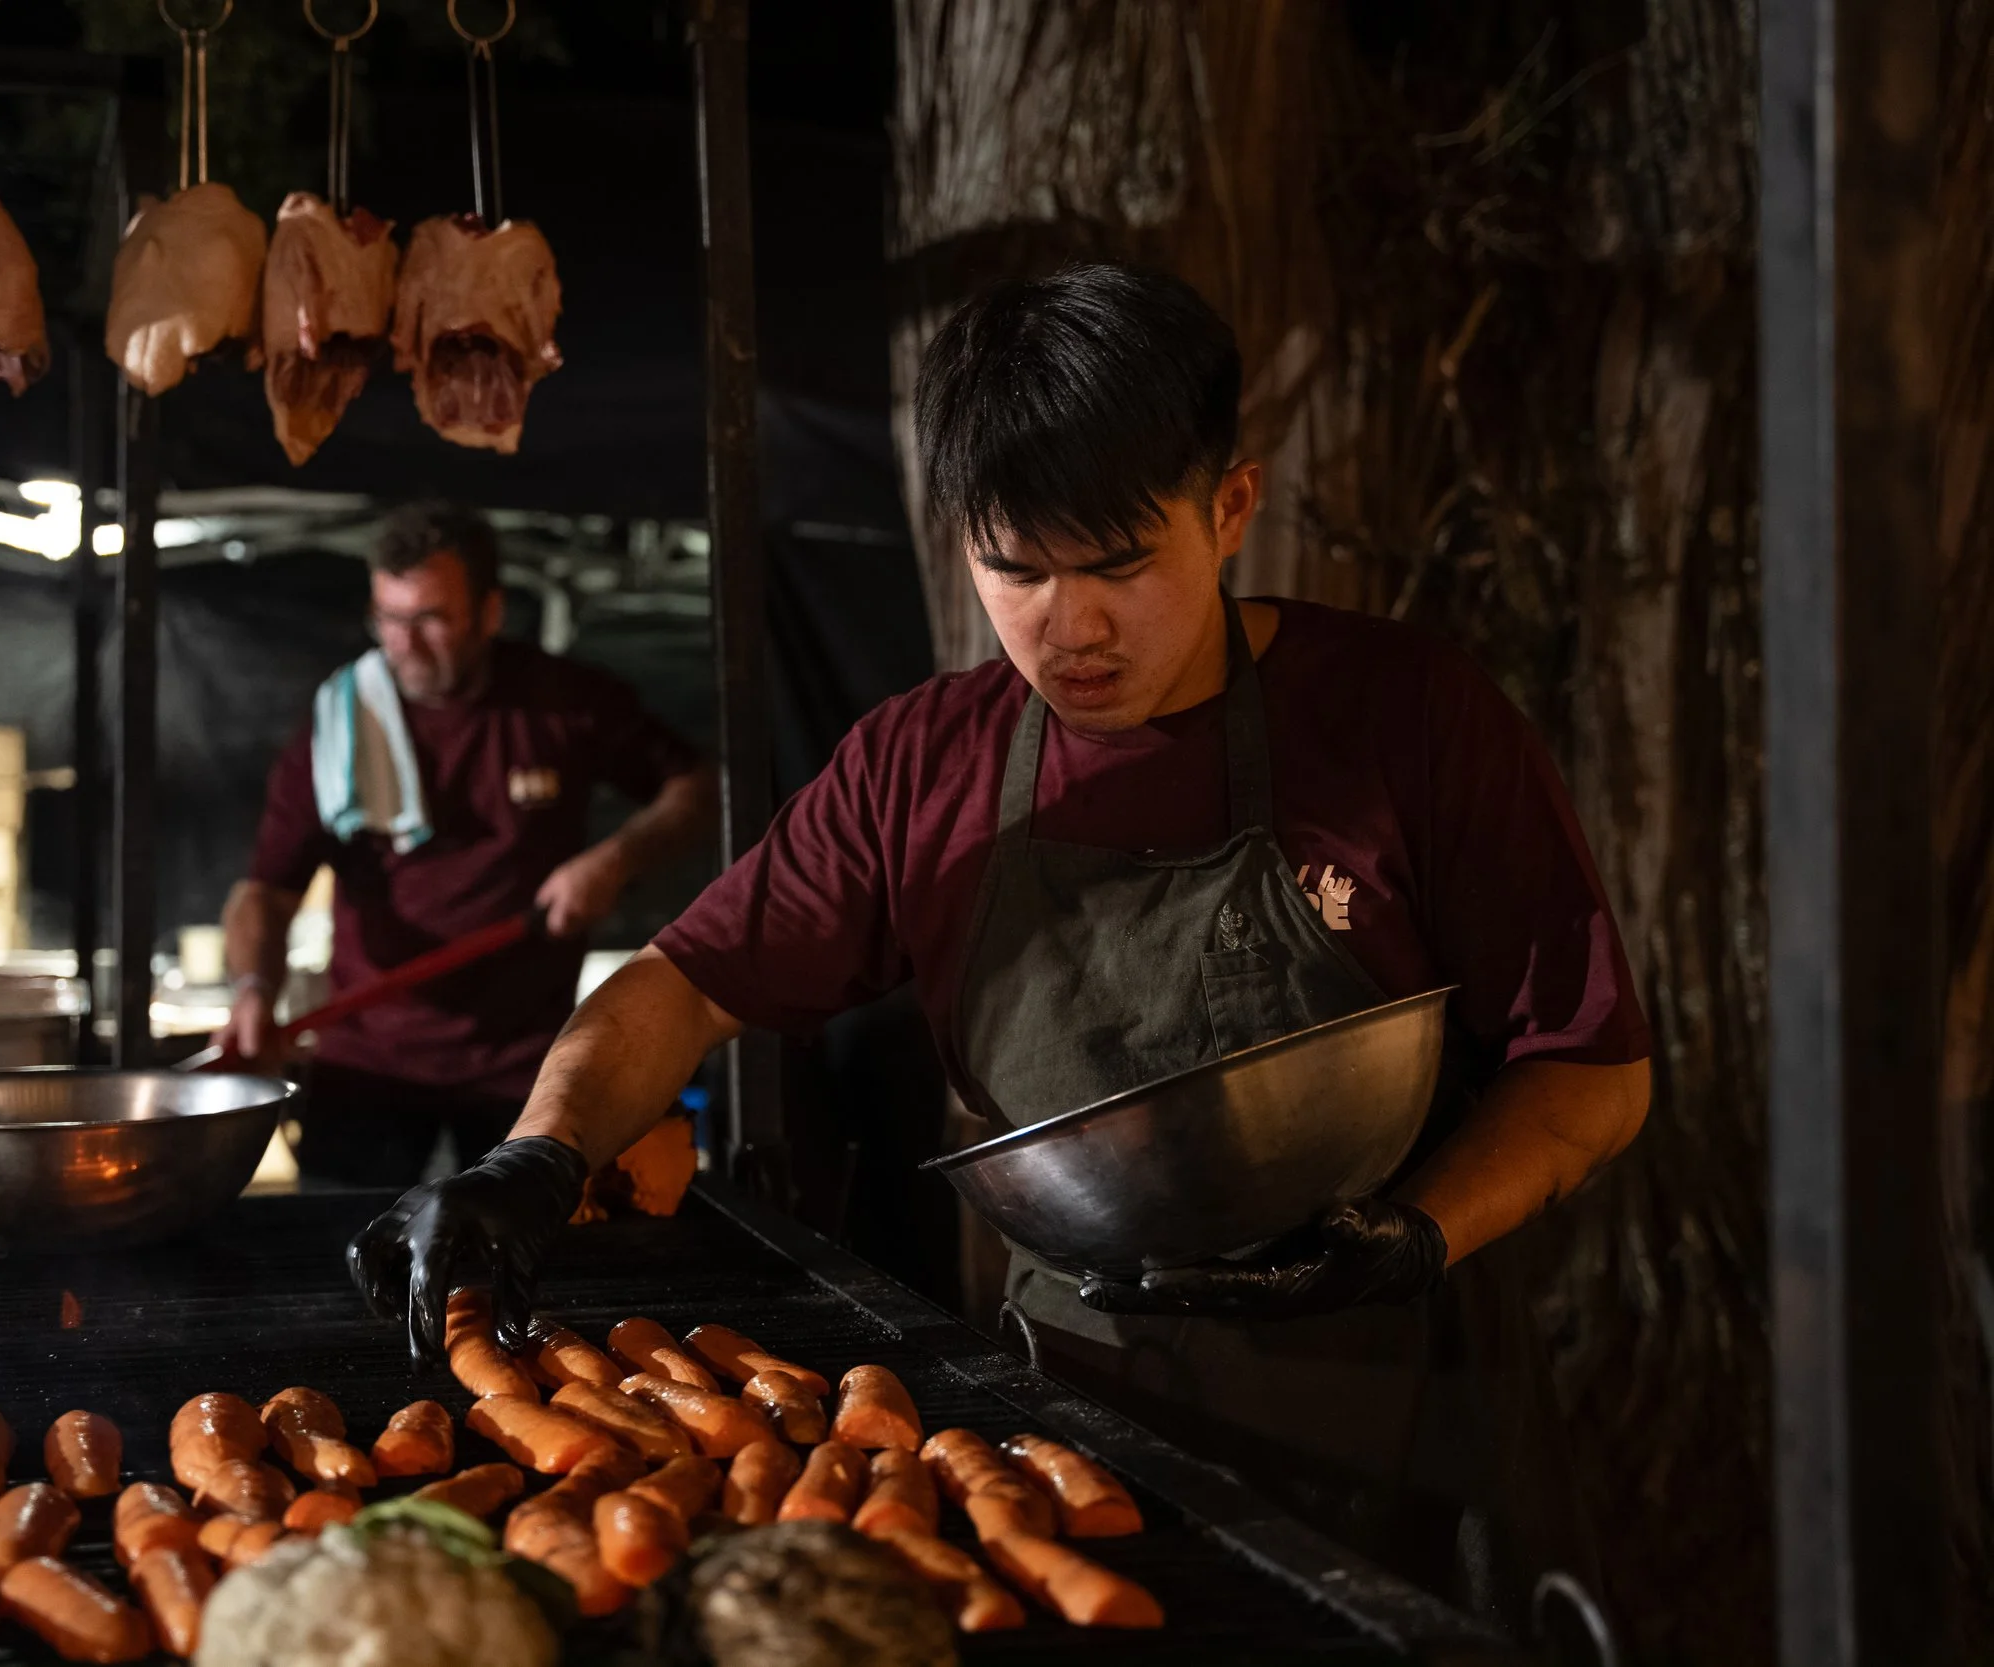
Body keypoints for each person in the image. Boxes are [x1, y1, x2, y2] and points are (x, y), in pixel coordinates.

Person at [347, 268, 1650, 1544]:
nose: (1068, 626)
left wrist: (1415, 1237)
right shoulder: (925, 763)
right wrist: (539, 1153)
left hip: (1395, 1413)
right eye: (1014, 569)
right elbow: (687, 983)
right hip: (1060, 1429)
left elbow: (1592, 1070)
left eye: (1121, 565)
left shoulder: (1406, 717)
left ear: (1232, 505)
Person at [223, 502, 716, 1185]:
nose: (404, 643)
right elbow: (266, 891)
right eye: (389, 618)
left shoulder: (561, 701)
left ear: (489, 612)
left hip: (530, 1066)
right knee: (339, 1263)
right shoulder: (340, 725)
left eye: (430, 618)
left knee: (523, 1270)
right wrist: (253, 988)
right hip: (369, 1062)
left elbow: (694, 787)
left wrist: (614, 860)